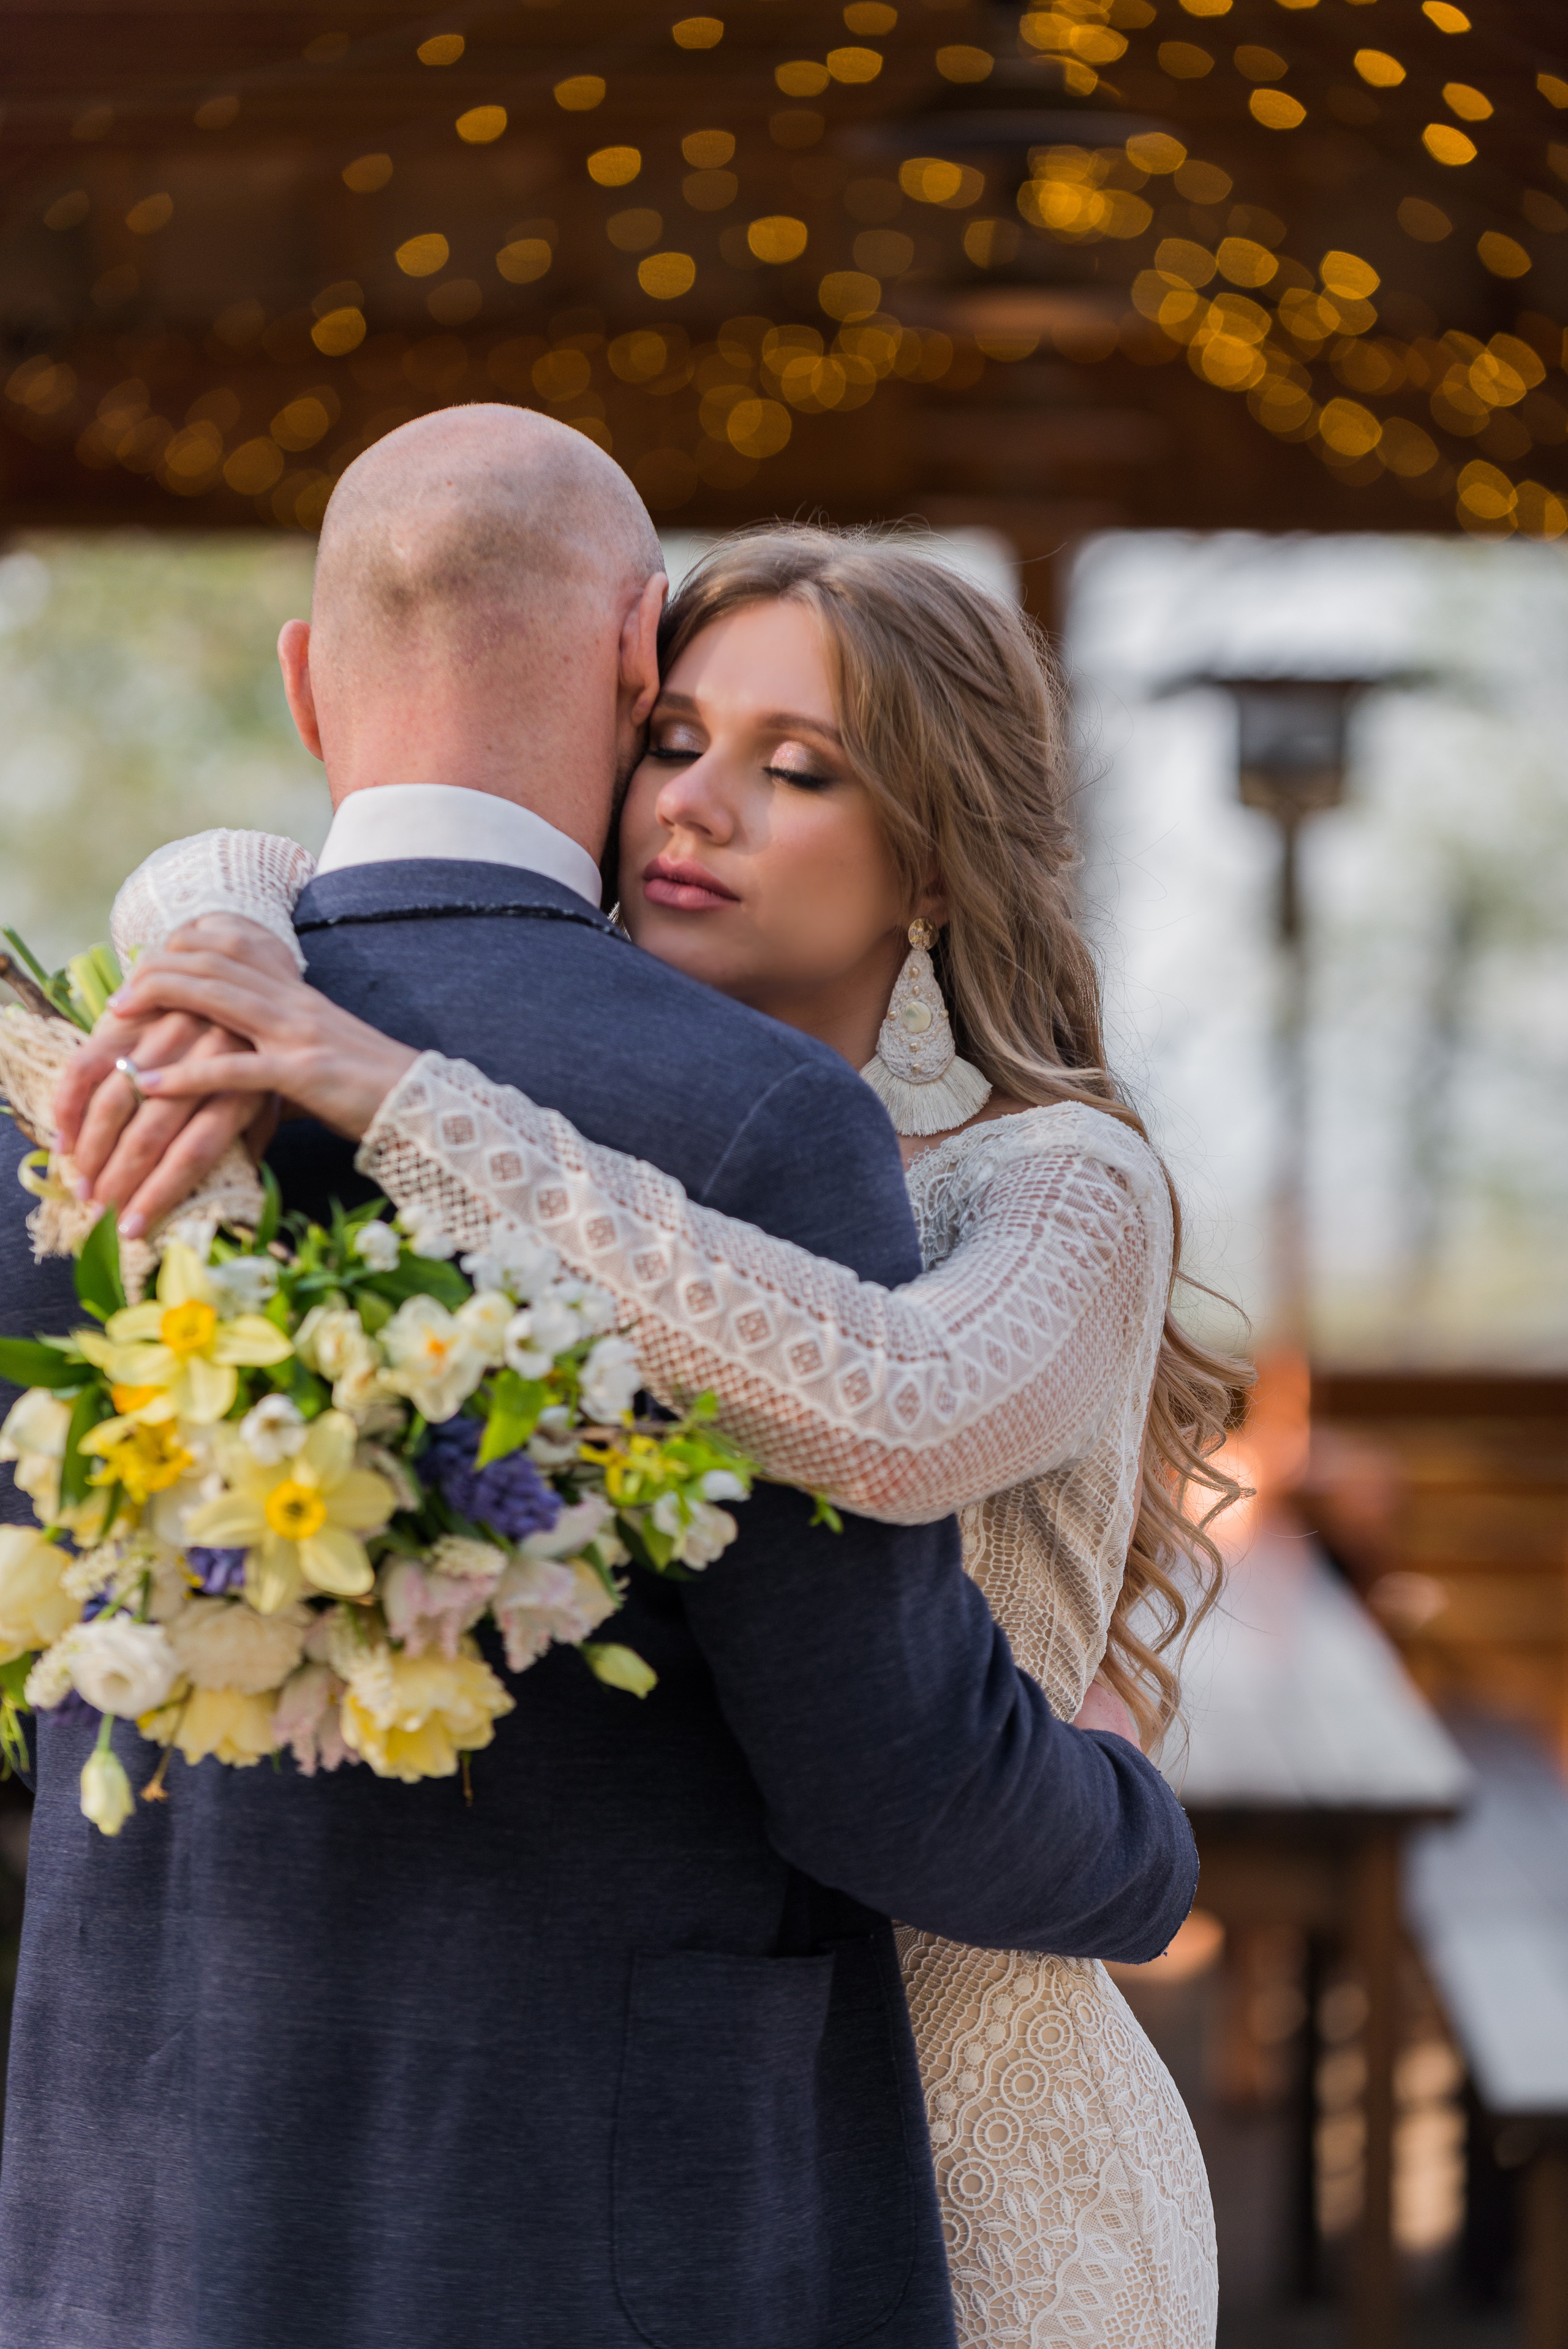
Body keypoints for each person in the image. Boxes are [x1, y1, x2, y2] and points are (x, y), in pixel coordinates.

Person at [0, 411, 1204, 2349]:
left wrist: (308, 1005)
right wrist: (214, 911)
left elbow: (891, 1406)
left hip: (171, 2194)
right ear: (628, 671)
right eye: (680, 744)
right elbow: (883, 1772)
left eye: (799, 769)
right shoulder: (207, 1028)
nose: (696, 808)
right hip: (619, 2200)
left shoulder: (100, 1087)